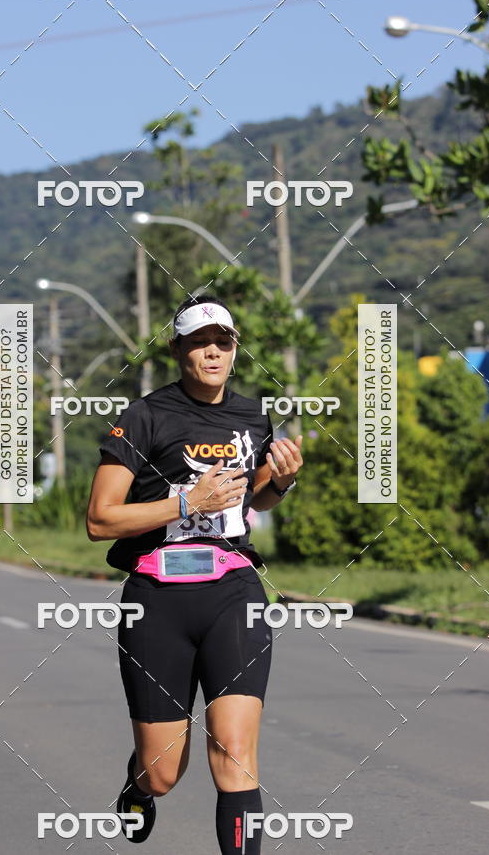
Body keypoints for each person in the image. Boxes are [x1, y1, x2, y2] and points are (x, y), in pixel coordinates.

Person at [87, 295, 303, 853]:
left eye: (223, 342)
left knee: (235, 753)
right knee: (164, 771)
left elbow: (251, 499)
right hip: (157, 598)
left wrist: (279, 481)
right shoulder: (144, 416)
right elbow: (100, 519)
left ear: (235, 350)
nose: (213, 351)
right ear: (178, 349)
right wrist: (188, 502)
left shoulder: (254, 416)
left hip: (234, 591)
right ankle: (140, 784)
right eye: (200, 342)